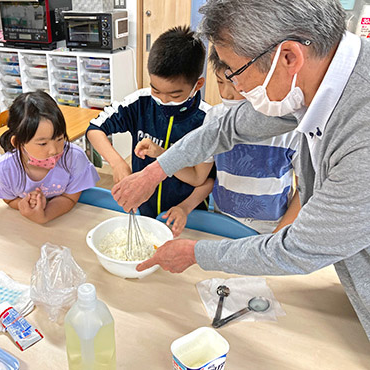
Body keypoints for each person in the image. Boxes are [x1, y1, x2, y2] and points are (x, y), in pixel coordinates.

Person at [112, 0, 370, 339]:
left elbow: (296, 249)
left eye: (235, 72)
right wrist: (154, 172)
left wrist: (195, 253)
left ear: (289, 56)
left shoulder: (359, 132)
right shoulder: (316, 76)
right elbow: (227, 128)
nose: (237, 88)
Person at [136, 46, 302, 234]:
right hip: (222, 222)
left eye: (235, 83)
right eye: (220, 82)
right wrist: (161, 156)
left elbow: (304, 190)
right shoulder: (215, 118)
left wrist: (278, 235)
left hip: (271, 228)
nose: (228, 93)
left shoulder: (290, 124)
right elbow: (198, 177)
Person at [86, 26, 214, 236]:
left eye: (174, 94)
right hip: (144, 209)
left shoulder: (208, 121)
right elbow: (95, 129)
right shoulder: (141, 102)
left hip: (186, 217)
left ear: (197, 84)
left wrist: (163, 155)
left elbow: (201, 179)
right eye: (156, 89)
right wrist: (118, 164)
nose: (162, 100)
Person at [0, 91, 99, 224]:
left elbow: (69, 198)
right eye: (43, 144)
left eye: (60, 139)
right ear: (18, 143)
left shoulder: (74, 158)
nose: (54, 150)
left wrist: (45, 215)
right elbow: (9, 199)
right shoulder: (3, 170)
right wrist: (25, 206)